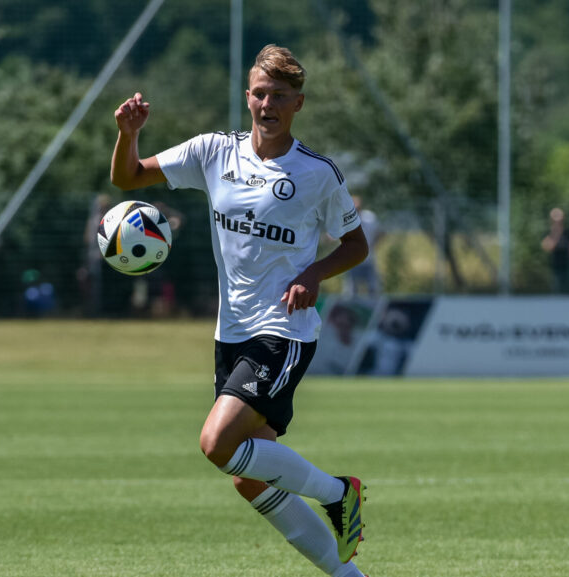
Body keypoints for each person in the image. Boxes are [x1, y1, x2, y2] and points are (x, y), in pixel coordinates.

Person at [110, 45, 371, 577]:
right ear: (246, 97)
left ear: (298, 103)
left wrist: (313, 274)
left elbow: (356, 245)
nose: (266, 103)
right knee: (248, 475)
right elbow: (129, 178)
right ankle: (351, 576)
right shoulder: (213, 152)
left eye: (279, 95)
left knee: (216, 443)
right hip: (231, 334)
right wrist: (127, 133)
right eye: (259, 93)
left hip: (284, 331)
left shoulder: (317, 173)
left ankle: (338, 493)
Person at [342, 195, 383, 298]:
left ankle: (373, 311)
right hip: (351, 262)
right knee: (352, 291)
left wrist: (373, 245)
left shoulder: (369, 218)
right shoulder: (346, 218)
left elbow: (381, 233)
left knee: (373, 289)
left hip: (368, 259)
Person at [540, 207, 569, 294]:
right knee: (557, 290)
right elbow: (547, 247)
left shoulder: (568, 232)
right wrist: (556, 232)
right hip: (555, 265)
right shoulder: (549, 233)